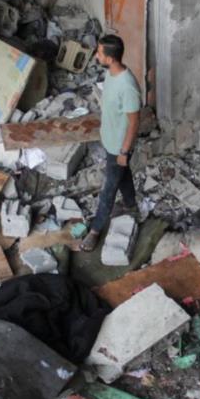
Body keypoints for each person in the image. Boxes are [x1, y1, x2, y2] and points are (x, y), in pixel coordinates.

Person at [80, 35, 141, 252]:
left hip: (119, 147)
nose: (97, 55)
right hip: (111, 140)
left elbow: (134, 123)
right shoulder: (111, 73)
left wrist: (124, 151)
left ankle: (95, 230)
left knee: (108, 189)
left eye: (99, 53)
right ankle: (131, 204)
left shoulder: (128, 86)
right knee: (122, 175)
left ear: (111, 58)